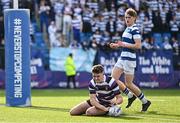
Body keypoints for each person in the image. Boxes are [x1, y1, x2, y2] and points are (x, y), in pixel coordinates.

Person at [109, 8, 151, 112]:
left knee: (129, 84)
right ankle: (130, 95)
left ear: (134, 18)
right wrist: (117, 45)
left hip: (129, 60)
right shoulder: (127, 29)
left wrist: (123, 44)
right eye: (125, 17)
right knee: (112, 79)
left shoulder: (135, 29)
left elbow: (138, 45)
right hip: (123, 58)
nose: (127, 19)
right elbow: (125, 45)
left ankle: (145, 102)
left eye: (129, 17)